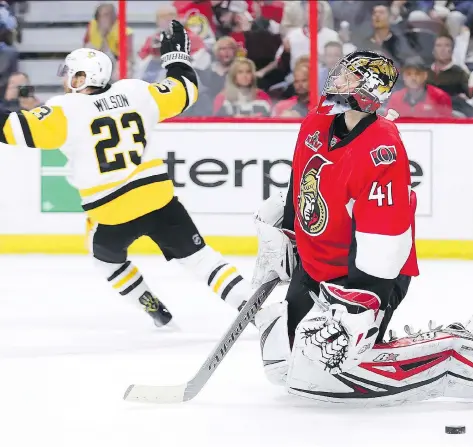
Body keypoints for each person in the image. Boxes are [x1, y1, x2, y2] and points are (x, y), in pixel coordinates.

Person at [249, 50, 473, 406]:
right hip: (317, 266)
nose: (335, 79)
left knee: (325, 378)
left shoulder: (382, 147)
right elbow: (301, 182)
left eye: (347, 76)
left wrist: (356, 309)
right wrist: (288, 234)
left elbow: (384, 241)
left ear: (367, 90)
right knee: (283, 366)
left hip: (364, 278)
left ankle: (449, 356)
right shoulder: (316, 122)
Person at [0, 21, 252, 328]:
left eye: (71, 73)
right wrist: (175, 58)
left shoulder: (65, 110)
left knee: (104, 260)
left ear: (83, 77)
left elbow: (12, 129)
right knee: (203, 260)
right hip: (159, 200)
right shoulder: (136, 91)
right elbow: (186, 90)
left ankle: (154, 309)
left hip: (110, 212)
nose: (66, 80)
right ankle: (258, 313)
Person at [388, 56, 452, 118]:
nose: (413, 78)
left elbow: (446, 126)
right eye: (409, 74)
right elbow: (388, 123)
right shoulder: (395, 98)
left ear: (425, 75)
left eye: (417, 73)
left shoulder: (440, 97)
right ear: (403, 77)